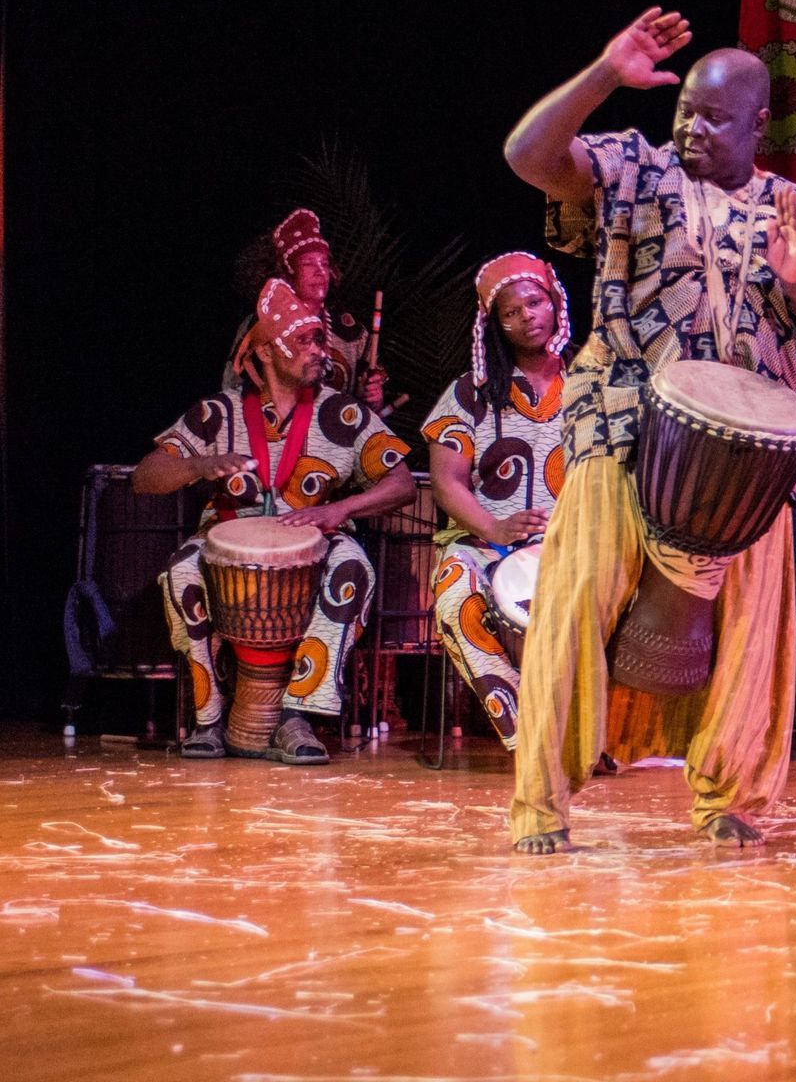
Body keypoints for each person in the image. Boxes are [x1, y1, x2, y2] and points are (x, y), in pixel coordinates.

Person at [501, 8, 796, 853]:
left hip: (753, 461)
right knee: (576, 603)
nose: (690, 128)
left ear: (758, 124)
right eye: (685, 112)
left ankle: (729, 799)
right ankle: (542, 805)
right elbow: (527, 158)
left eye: (712, 117)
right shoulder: (633, 169)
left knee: (751, 635)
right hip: (623, 424)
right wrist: (604, 71)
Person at [136, 278, 416, 763]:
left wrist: (339, 509)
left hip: (319, 538)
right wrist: (197, 465)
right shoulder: (216, 413)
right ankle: (207, 718)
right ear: (266, 351)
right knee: (181, 571)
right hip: (225, 543)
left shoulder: (343, 414)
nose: (318, 352)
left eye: (320, 340)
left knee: (354, 569)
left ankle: (297, 715)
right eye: (304, 342)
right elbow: (146, 475)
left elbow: (402, 484)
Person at [420, 252, 574, 751]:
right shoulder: (470, 394)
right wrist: (496, 528)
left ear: (555, 305)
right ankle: (529, 735)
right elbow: (446, 484)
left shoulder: (591, 386)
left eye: (535, 302)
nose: (527, 315)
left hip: (571, 545)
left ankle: (587, 730)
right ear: (495, 326)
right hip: (481, 543)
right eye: (511, 312)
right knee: (452, 597)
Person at [223, 209, 388, 407]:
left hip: (334, 436)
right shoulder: (262, 326)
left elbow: (366, 411)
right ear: (288, 271)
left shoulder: (351, 333)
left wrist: (371, 398)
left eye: (324, 263)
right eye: (308, 264)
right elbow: (232, 392)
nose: (320, 272)